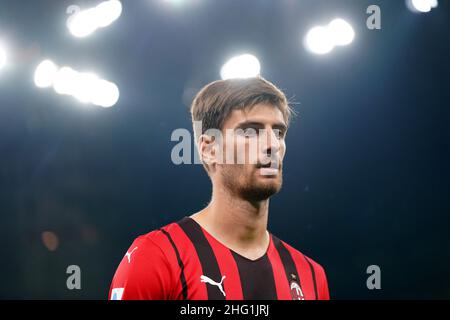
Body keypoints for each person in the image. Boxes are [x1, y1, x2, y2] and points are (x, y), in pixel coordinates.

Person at [109, 77, 330, 300]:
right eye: (251, 131)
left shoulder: (311, 275)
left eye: (279, 132)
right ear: (209, 149)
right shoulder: (156, 256)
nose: (272, 144)